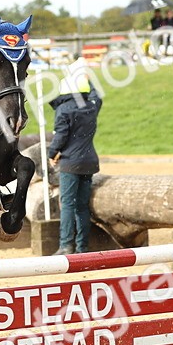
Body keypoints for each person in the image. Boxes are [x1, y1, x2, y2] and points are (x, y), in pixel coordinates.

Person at [48, 74, 102, 255]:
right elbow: (97, 96)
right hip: (89, 162)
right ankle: (82, 247)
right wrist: (90, 79)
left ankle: (65, 246)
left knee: (68, 205)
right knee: (82, 206)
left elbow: (61, 136)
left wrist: (52, 153)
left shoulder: (64, 109)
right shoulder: (92, 107)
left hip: (70, 163)